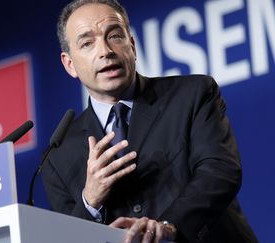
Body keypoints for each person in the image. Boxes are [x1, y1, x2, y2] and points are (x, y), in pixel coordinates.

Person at [41, 0, 258, 242]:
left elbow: (219, 172)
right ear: (69, 64)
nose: (105, 51)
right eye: (87, 43)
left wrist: (168, 225)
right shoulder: (57, 156)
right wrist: (90, 200)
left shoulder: (193, 94)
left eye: (114, 36)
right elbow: (67, 237)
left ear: (131, 45)